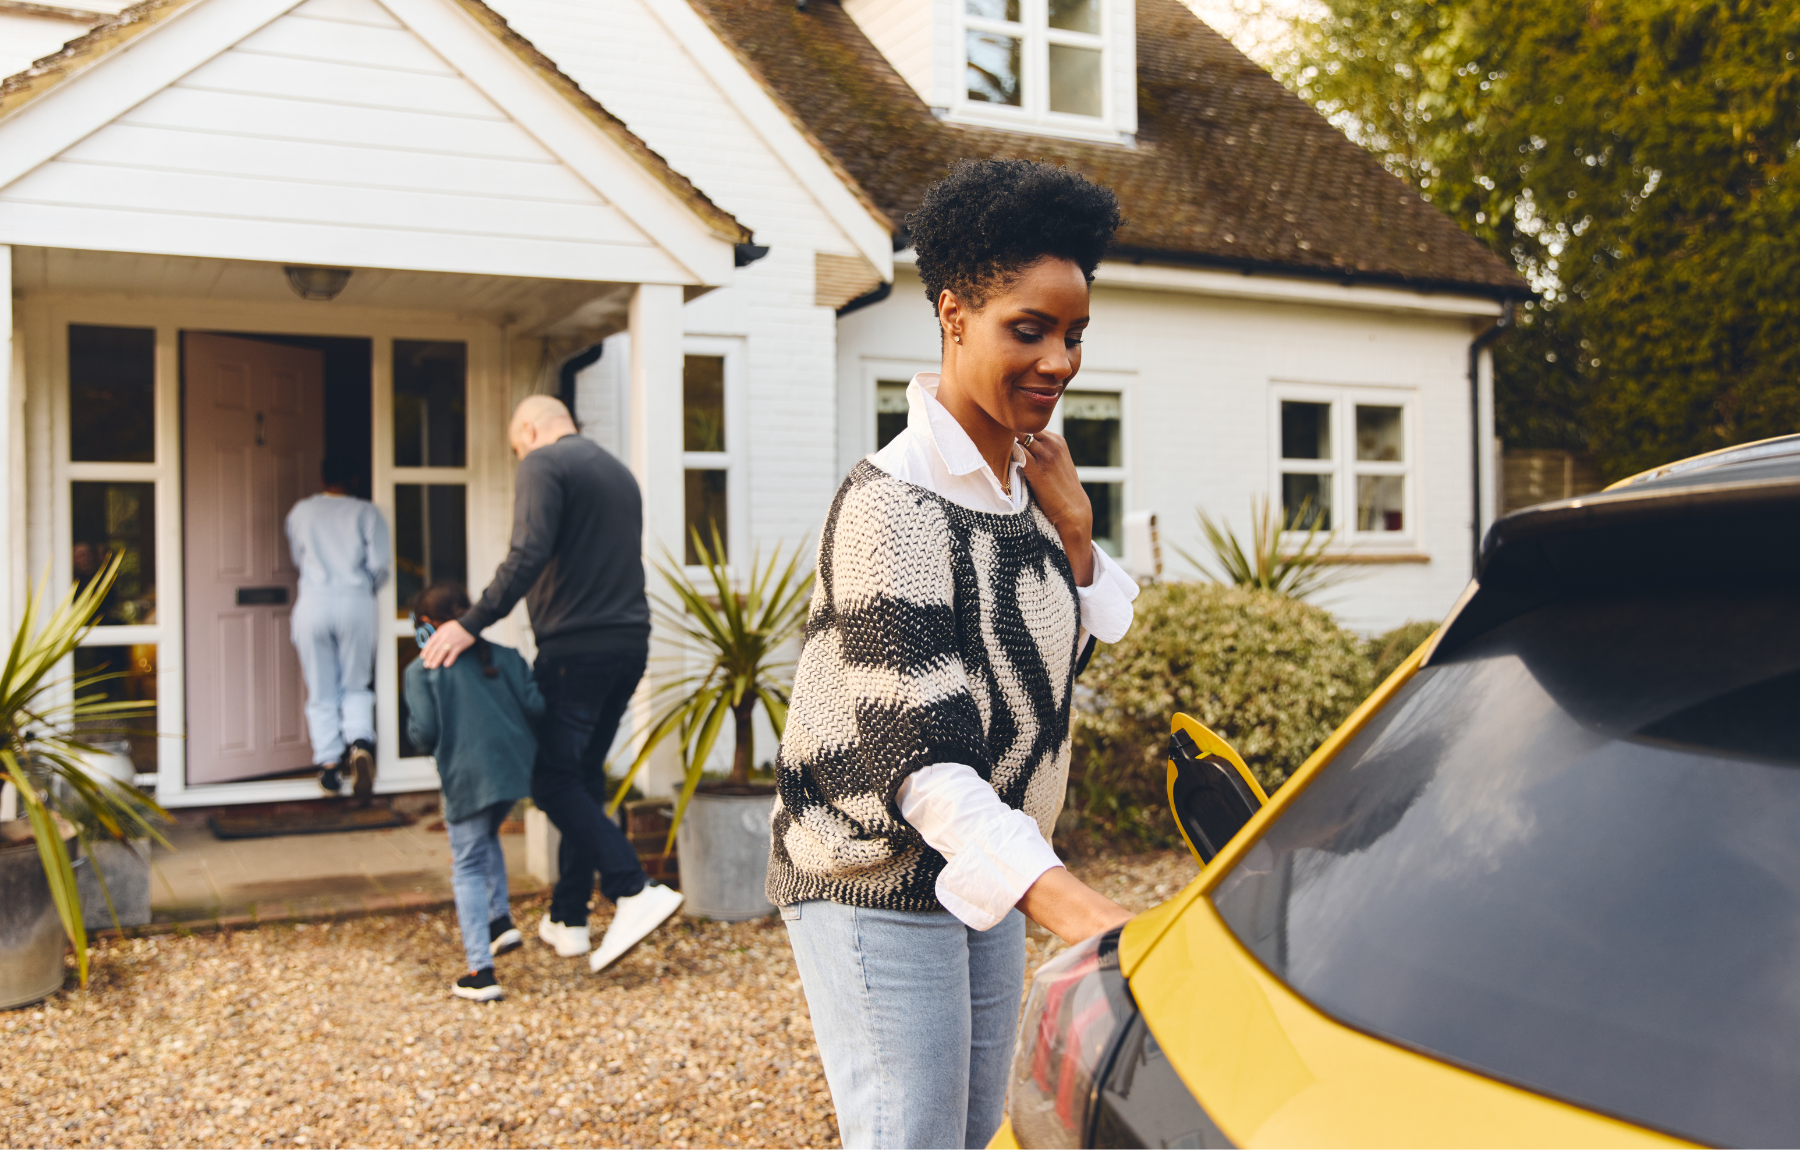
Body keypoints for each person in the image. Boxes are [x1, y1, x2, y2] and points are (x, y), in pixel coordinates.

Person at [766, 160, 1141, 1150]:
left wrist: (1075, 533)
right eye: (1031, 329)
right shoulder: (890, 503)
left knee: (972, 1136)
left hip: (983, 868)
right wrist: (1080, 908)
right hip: (877, 867)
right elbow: (926, 756)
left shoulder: (1025, 489)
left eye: (1074, 335)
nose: (1060, 360)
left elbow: (1046, 689)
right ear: (954, 315)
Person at [418, 395, 684, 974]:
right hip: (628, 643)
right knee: (584, 777)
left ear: (531, 430)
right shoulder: (617, 472)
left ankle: (634, 890)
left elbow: (527, 553)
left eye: (517, 447)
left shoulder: (542, 463)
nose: (520, 458)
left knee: (551, 778)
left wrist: (469, 624)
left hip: (576, 650)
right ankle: (568, 919)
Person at [404, 581, 544, 1001]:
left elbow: (424, 735)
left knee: (466, 865)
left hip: (466, 777)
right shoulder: (505, 656)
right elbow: (537, 708)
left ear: (428, 626)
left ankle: (480, 971)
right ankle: (500, 921)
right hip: (513, 775)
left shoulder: (422, 669)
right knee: (485, 838)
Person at [286, 456, 389, 798]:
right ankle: (359, 743)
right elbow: (380, 565)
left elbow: (298, 557)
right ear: (356, 478)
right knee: (356, 683)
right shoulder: (367, 513)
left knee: (321, 687)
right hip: (355, 599)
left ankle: (329, 766)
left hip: (314, 600)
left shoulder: (301, 512)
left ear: (322, 476)